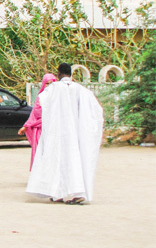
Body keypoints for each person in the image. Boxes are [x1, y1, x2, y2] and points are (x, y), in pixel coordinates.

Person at [26, 63, 103, 205]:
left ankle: (58, 193)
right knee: (74, 162)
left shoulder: (53, 89)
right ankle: (77, 192)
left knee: (58, 161)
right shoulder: (82, 90)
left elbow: (41, 102)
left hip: (58, 133)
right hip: (75, 134)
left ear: (59, 73)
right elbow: (96, 110)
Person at [18, 73, 57, 170]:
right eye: (47, 83)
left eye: (51, 83)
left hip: (54, 128)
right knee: (41, 152)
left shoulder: (57, 98)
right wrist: (26, 126)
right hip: (40, 129)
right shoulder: (41, 97)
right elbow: (34, 114)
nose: (49, 86)